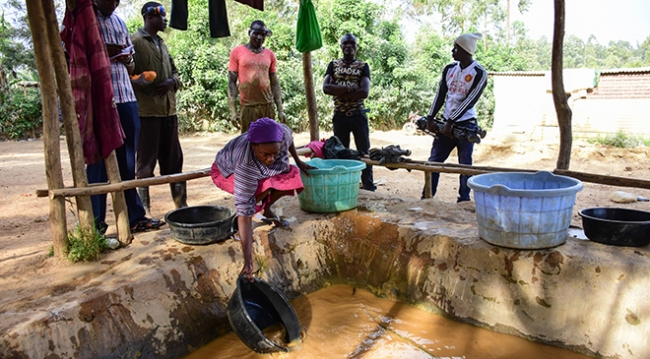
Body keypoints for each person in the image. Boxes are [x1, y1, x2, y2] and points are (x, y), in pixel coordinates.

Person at [87, 0, 163, 233]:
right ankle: (96, 226)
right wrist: (101, 50)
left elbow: (130, 66)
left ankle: (134, 217)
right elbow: (70, 55)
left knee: (127, 162)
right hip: (97, 101)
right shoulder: (83, 22)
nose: (113, 3)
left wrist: (124, 57)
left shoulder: (119, 22)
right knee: (97, 163)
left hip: (125, 97)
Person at [211, 118, 314, 281]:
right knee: (252, 199)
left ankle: (266, 209)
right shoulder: (245, 163)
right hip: (227, 171)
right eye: (265, 154)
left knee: (291, 176)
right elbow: (245, 215)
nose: (271, 159)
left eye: (276, 153)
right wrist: (248, 262)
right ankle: (239, 223)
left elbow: (290, 140)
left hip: (258, 167)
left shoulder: (283, 135)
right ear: (253, 146)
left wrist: (299, 162)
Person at [131, 2, 188, 214]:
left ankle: (181, 205)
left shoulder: (162, 43)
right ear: (150, 16)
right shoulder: (135, 42)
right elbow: (127, 74)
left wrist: (172, 82)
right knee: (145, 163)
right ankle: (143, 211)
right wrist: (140, 83)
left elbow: (175, 72)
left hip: (169, 111)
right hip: (147, 113)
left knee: (174, 159)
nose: (165, 20)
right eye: (162, 16)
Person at [422, 32, 487, 203]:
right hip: (445, 124)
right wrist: (430, 117)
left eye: (456, 48)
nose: (452, 51)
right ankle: (427, 197)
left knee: (464, 165)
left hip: (466, 126)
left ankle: (463, 200)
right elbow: (441, 94)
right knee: (434, 162)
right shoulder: (449, 69)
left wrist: (451, 121)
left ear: (466, 50)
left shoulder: (479, 73)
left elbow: (469, 101)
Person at [322, 33, 376, 191]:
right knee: (340, 152)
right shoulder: (333, 65)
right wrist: (349, 88)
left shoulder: (362, 66)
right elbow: (326, 88)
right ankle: (343, 185)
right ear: (341, 46)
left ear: (356, 47)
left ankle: (368, 186)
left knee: (364, 152)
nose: (349, 46)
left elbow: (364, 92)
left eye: (352, 44)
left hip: (358, 115)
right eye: (346, 43)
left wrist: (338, 91)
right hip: (340, 117)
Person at [228, 20, 286, 133]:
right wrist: (233, 111)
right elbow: (231, 82)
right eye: (256, 33)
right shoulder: (237, 52)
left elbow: (274, 83)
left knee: (269, 141)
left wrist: (280, 110)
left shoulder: (270, 55)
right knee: (249, 143)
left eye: (263, 35)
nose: (259, 37)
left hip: (267, 107)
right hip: (247, 107)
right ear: (249, 33)